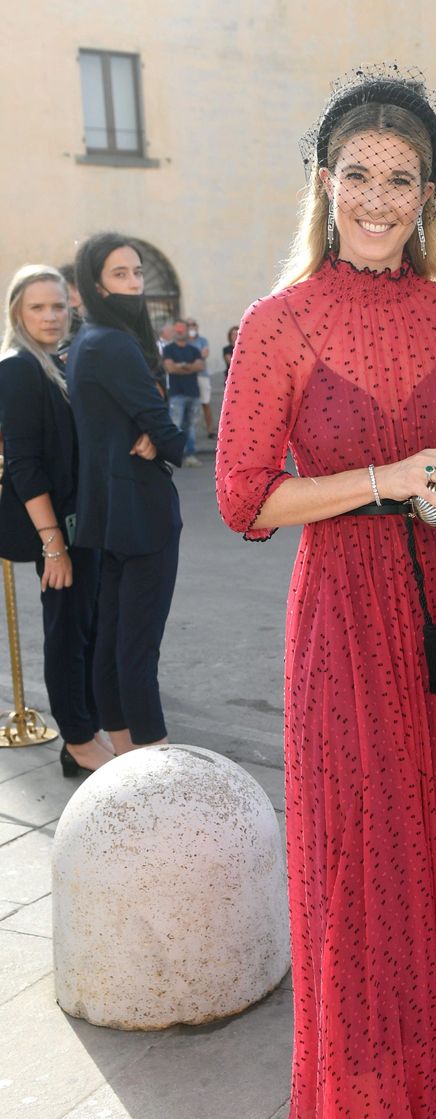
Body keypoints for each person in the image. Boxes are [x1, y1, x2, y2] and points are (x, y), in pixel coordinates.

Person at [215, 67, 436, 1119]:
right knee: (366, 866)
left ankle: (433, 1078)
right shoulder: (278, 323)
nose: (375, 196)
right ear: (324, 182)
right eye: (356, 174)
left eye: (399, 179)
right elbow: (244, 498)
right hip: (347, 624)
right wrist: (382, 478)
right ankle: (370, 1112)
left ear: (428, 194)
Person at [66, 233, 187, 757]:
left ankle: (124, 763)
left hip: (112, 513)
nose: (134, 284)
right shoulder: (112, 343)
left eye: (138, 273)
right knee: (137, 651)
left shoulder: (88, 341)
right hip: (142, 514)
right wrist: (163, 438)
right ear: (95, 283)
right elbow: (168, 431)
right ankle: (154, 767)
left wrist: (143, 434)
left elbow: (123, 423)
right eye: (121, 275)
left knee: (115, 646)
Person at [0, 265, 111, 776]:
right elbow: (24, 464)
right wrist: (52, 544)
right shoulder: (20, 368)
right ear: (18, 314)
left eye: (57, 306)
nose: (50, 315)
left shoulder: (63, 361)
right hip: (59, 530)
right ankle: (78, 737)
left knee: (86, 627)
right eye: (37, 307)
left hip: (84, 522)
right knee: (67, 631)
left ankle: (84, 730)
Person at [163, 320, 203, 466]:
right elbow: (170, 368)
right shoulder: (168, 349)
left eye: (183, 329)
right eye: (178, 329)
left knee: (191, 426)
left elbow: (199, 366)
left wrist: (181, 365)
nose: (180, 332)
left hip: (193, 393)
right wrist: (189, 367)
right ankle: (175, 456)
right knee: (176, 426)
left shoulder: (194, 350)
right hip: (176, 393)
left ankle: (190, 455)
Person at [186, 317, 216, 439]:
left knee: (205, 403)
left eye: (194, 324)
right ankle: (189, 432)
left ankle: (210, 430)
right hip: (188, 377)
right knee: (189, 404)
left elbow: (205, 354)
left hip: (202, 376)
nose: (192, 327)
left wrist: (189, 358)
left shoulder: (202, 340)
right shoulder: (183, 341)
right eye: (189, 325)